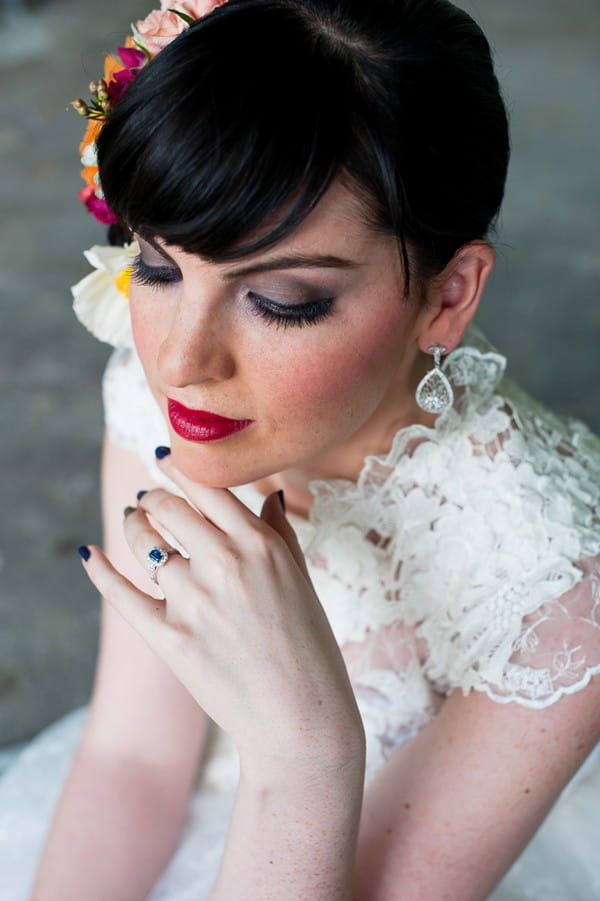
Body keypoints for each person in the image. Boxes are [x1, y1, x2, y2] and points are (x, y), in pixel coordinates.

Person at [0, 0, 598, 898]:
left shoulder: (558, 586)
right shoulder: (162, 395)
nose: (179, 360)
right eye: (158, 268)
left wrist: (309, 750)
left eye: (282, 300)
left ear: (449, 297)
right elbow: (133, 758)